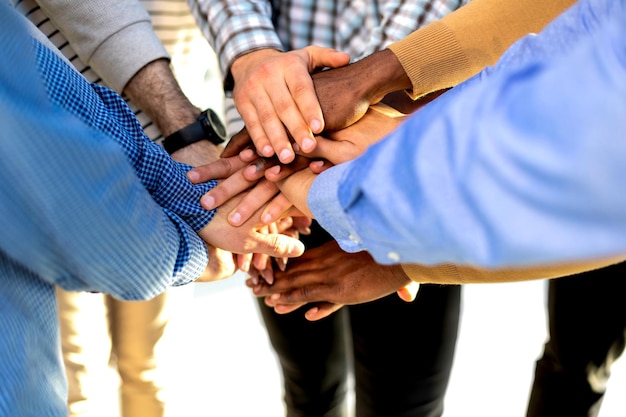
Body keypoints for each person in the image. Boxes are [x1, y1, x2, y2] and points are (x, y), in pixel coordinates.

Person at [187, 0, 577, 416]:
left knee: (404, 402)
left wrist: (370, 94)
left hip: (411, 167)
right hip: (284, 164)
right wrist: (260, 74)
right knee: (309, 387)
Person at [0, 5, 304, 416]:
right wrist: (194, 250)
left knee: (150, 364)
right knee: (80, 367)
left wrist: (207, 166)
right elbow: (113, 245)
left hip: (175, 164)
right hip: (99, 170)